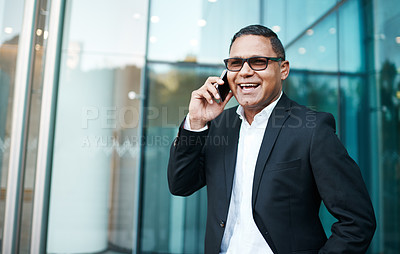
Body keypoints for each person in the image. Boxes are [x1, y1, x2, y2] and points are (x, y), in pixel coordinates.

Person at [167, 24, 376, 254]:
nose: (245, 72)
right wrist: (196, 123)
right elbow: (181, 185)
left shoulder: (312, 129)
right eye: (236, 63)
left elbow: (357, 223)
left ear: (283, 69)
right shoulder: (218, 125)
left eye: (258, 61)